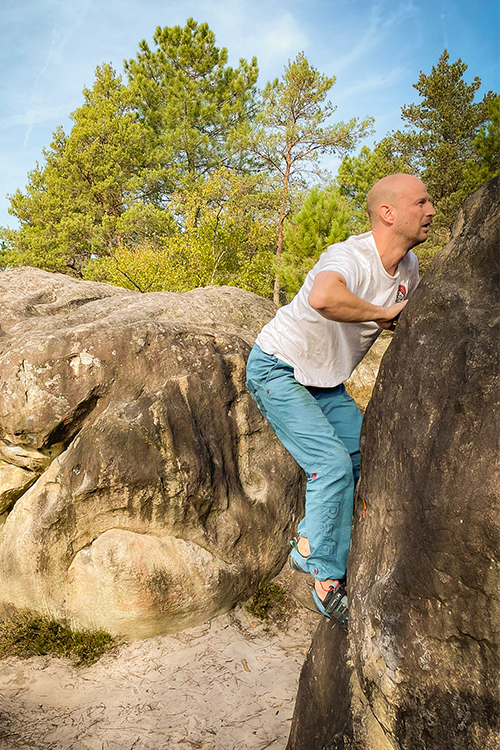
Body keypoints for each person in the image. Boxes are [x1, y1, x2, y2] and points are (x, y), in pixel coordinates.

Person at [245, 173, 436, 628]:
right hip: (279, 368)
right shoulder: (349, 255)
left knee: (359, 457)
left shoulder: (407, 267)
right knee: (328, 464)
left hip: (325, 381)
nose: (431, 211)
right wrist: (383, 313)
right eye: (421, 202)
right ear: (388, 213)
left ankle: (307, 545)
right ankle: (326, 582)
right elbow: (324, 296)